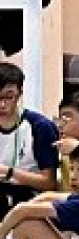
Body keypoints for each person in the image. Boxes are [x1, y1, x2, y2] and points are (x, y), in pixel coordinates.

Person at [0, 63, 60, 219]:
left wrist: (8, 172)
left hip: (28, 199)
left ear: (20, 93)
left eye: (9, 97)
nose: (2, 104)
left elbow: (49, 182)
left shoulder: (40, 127)